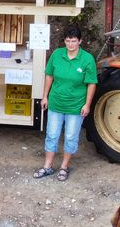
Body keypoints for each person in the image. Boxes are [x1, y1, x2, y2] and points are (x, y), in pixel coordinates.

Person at [35, 26, 98, 182]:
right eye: (68, 41)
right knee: (52, 135)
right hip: (56, 103)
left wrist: (87, 104)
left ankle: (64, 166)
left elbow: (91, 83)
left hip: (75, 106)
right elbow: (49, 75)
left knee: (70, 136)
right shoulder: (57, 55)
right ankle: (47, 166)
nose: (71, 44)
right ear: (64, 41)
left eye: (74, 41)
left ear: (80, 41)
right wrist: (45, 97)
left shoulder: (87, 59)